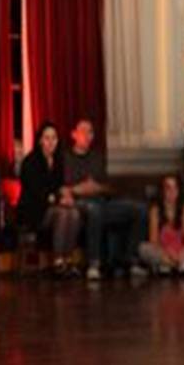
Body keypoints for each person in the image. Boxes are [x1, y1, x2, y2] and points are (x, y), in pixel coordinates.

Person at [62, 118, 147, 280]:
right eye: (83, 131)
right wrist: (78, 189)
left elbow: (106, 187)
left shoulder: (97, 157)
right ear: (74, 134)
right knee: (94, 210)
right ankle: (94, 264)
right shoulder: (66, 158)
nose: (88, 135)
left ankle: (132, 260)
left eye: (91, 132)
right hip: (79, 204)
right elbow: (65, 189)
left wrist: (95, 187)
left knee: (139, 209)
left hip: (102, 201)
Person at [17, 121, 82, 275]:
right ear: (40, 140)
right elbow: (38, 193)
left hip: (52, 206)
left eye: (54, 138)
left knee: (74, 213)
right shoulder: (30, 162)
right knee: (62, 213)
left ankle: (68, 260)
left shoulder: (58, 161)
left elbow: (60, 186)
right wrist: (58, 199)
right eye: (47, 138)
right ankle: (58, 261)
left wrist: (66, 196)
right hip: (33, 210)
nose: (51, 142)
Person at [138, 174, 184, 276]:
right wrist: (167, 254)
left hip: (183, 253)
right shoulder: (155, 210)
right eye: (168, 188)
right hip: (163, 252)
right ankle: (173, 265)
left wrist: (182, 254)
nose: (172, 192)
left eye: (175, 188)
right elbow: (153, 240)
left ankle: (175, 264)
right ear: (162, 191)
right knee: (143, 248)